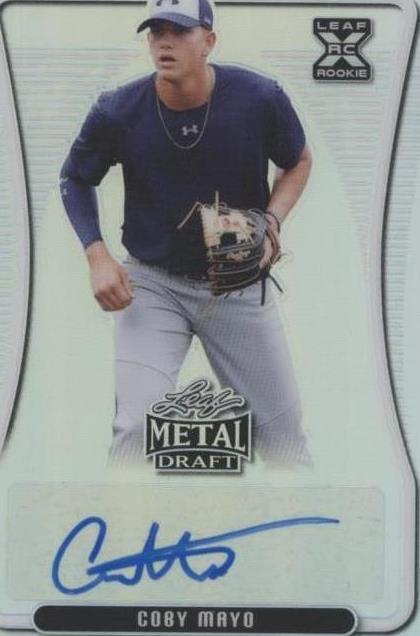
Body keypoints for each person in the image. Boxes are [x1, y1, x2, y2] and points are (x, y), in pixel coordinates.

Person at [60, 0, 312, 467]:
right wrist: (98, 257)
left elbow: (297, 160)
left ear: (209, 41)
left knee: (284, 441)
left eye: (179, 31)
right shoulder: (118, 109)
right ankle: (123, 514)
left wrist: (273, 221)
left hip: (238, 284)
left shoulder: (258, 97)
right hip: (154, 284)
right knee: (136, 428)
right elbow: (75, 177)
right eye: (156, 32)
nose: (165, 42)